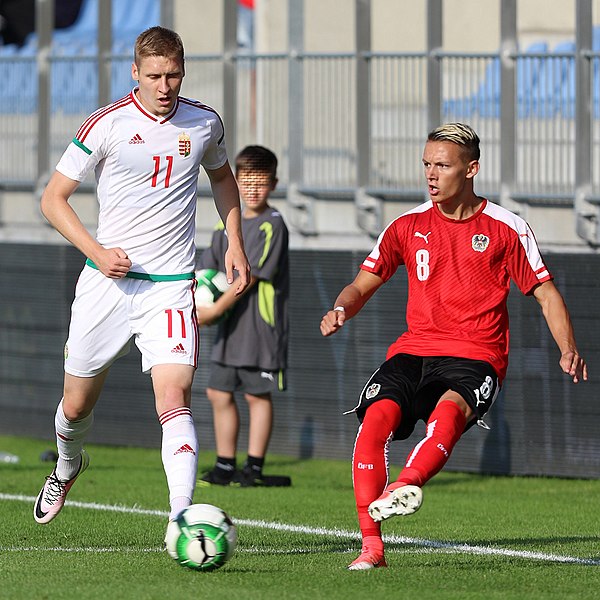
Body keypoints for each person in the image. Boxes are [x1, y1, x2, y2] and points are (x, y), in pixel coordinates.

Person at [320, 123, 588, 570]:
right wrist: (342, 308)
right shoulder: (407, 225)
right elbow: (362, 283)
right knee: (372, 427)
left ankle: (405, 485)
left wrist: (568, 347)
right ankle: (372, 549)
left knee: (447, 414)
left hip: (476, 354)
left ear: (471, 169)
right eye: (426, 164)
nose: (431, 174)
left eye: (442, 165)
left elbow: (545, 292)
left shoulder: (506, 227)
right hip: (412, 351)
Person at [33, 27, 250, 536]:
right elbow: (52, 199)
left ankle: (181, 518)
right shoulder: (105, 124)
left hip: (171, 286)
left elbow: (222, 177)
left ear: (183, 70)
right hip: (106, 285)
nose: (164, 85)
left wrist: (234, 239)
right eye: (154, 75)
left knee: (174, 398)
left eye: (173, 74)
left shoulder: (204, 123)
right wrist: (97, 253)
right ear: (135, 72)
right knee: (75, 407)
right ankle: (68, 466)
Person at [196, 145, 290, 487]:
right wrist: (196, 298)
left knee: (256, 394)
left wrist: (214, 310)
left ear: (274, 184)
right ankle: (224, 465)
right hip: (229, 329)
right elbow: (206, 268)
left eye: (260, 183)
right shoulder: (226, 227)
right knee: (219, 393)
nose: (252, 190)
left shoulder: (273, 225)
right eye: (246, 182)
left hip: (259, 329)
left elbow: (248, 280)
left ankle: (254, 467)